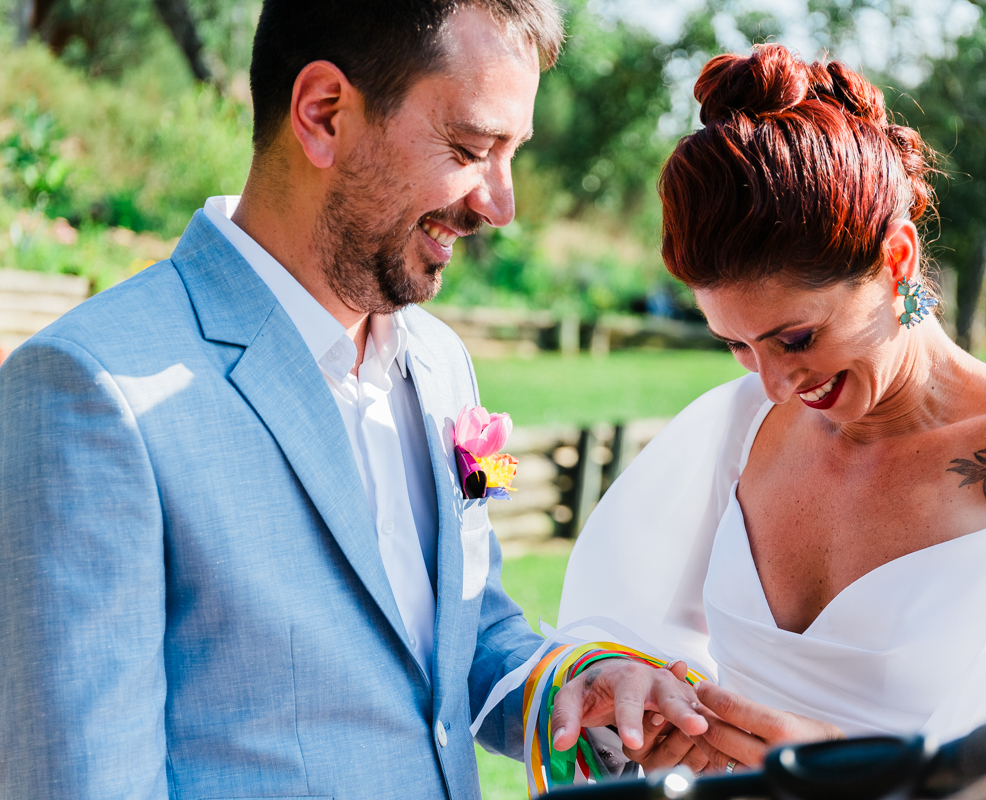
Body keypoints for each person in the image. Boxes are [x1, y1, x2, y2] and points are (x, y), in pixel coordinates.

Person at [0, 3, 709, 798]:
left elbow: (466, 625)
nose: (499, 206)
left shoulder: (445, 366)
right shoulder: (90, 392)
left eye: (511, 155)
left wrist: (574, 687)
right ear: (323, 113)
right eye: (473, 149)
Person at [557, 44, 986, 796]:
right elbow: (617, 628)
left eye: (797, 339)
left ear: (896, 258)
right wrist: (639, 700)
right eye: (737, 345)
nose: (777, 382)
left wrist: (851, 769)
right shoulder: (735, 429)